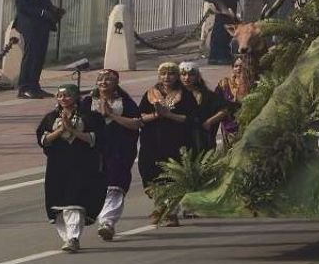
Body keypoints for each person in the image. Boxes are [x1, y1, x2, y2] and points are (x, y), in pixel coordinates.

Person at [35, 83, 106, 253]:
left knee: (74, 203)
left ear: (75, 97)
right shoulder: (51, 118)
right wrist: (61, 130)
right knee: (59, 206)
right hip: (58, 166)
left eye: (67, 95)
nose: (63, 99)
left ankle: (73, 237)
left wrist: (73, 131)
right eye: (60, 96)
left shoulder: (89, 117)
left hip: (81, 165)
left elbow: (94, 139)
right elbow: (44, 140)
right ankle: (67, 238)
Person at [82, 69, 142, 241]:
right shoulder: (88, 102)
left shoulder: (125, 102)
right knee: (95, 184)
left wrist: (112, 115)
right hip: (94, 149)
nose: (103, 83)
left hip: (118, 149)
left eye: (108, 80)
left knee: (115, 184)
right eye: (100, 79)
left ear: (116, 83)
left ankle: (107, 222)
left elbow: (135, 124)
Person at [138, 62, 198, 225]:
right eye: (163, 74)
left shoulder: (185, 95)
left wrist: (169, 115)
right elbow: (140, 117)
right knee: (151, 175)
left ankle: (170, 212)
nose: (167, 77)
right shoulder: (150, 94)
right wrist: (157, 115)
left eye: (171, 74)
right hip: (152, 142)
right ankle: (161, 206)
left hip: (176, 141)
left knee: (173, 177)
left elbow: (191, 119)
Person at [14, 0, 64, 99]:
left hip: (42, 25)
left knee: (39, 56)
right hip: (30, 25)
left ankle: (35, 85)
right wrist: (43, 13)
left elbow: (44, 1)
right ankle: (24, 87)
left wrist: (54, 10)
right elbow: (22, 6)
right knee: (31, 56)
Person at [180, 63, 229, 153]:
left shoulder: (206, 94)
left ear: (197, 76)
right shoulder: (174, 94)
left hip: (201, 137)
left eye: (191, 75)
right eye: (183, 75)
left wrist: (209, 122)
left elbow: (223, 109)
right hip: (180, 137)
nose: (187, 78)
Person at [215, 55, 254, 147]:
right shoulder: (224, 83)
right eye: (236, 66)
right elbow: (215, 101)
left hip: (248, 124)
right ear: (232, 68)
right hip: (229, 125)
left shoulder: (253, 84)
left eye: (242, 66)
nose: (239, 69)